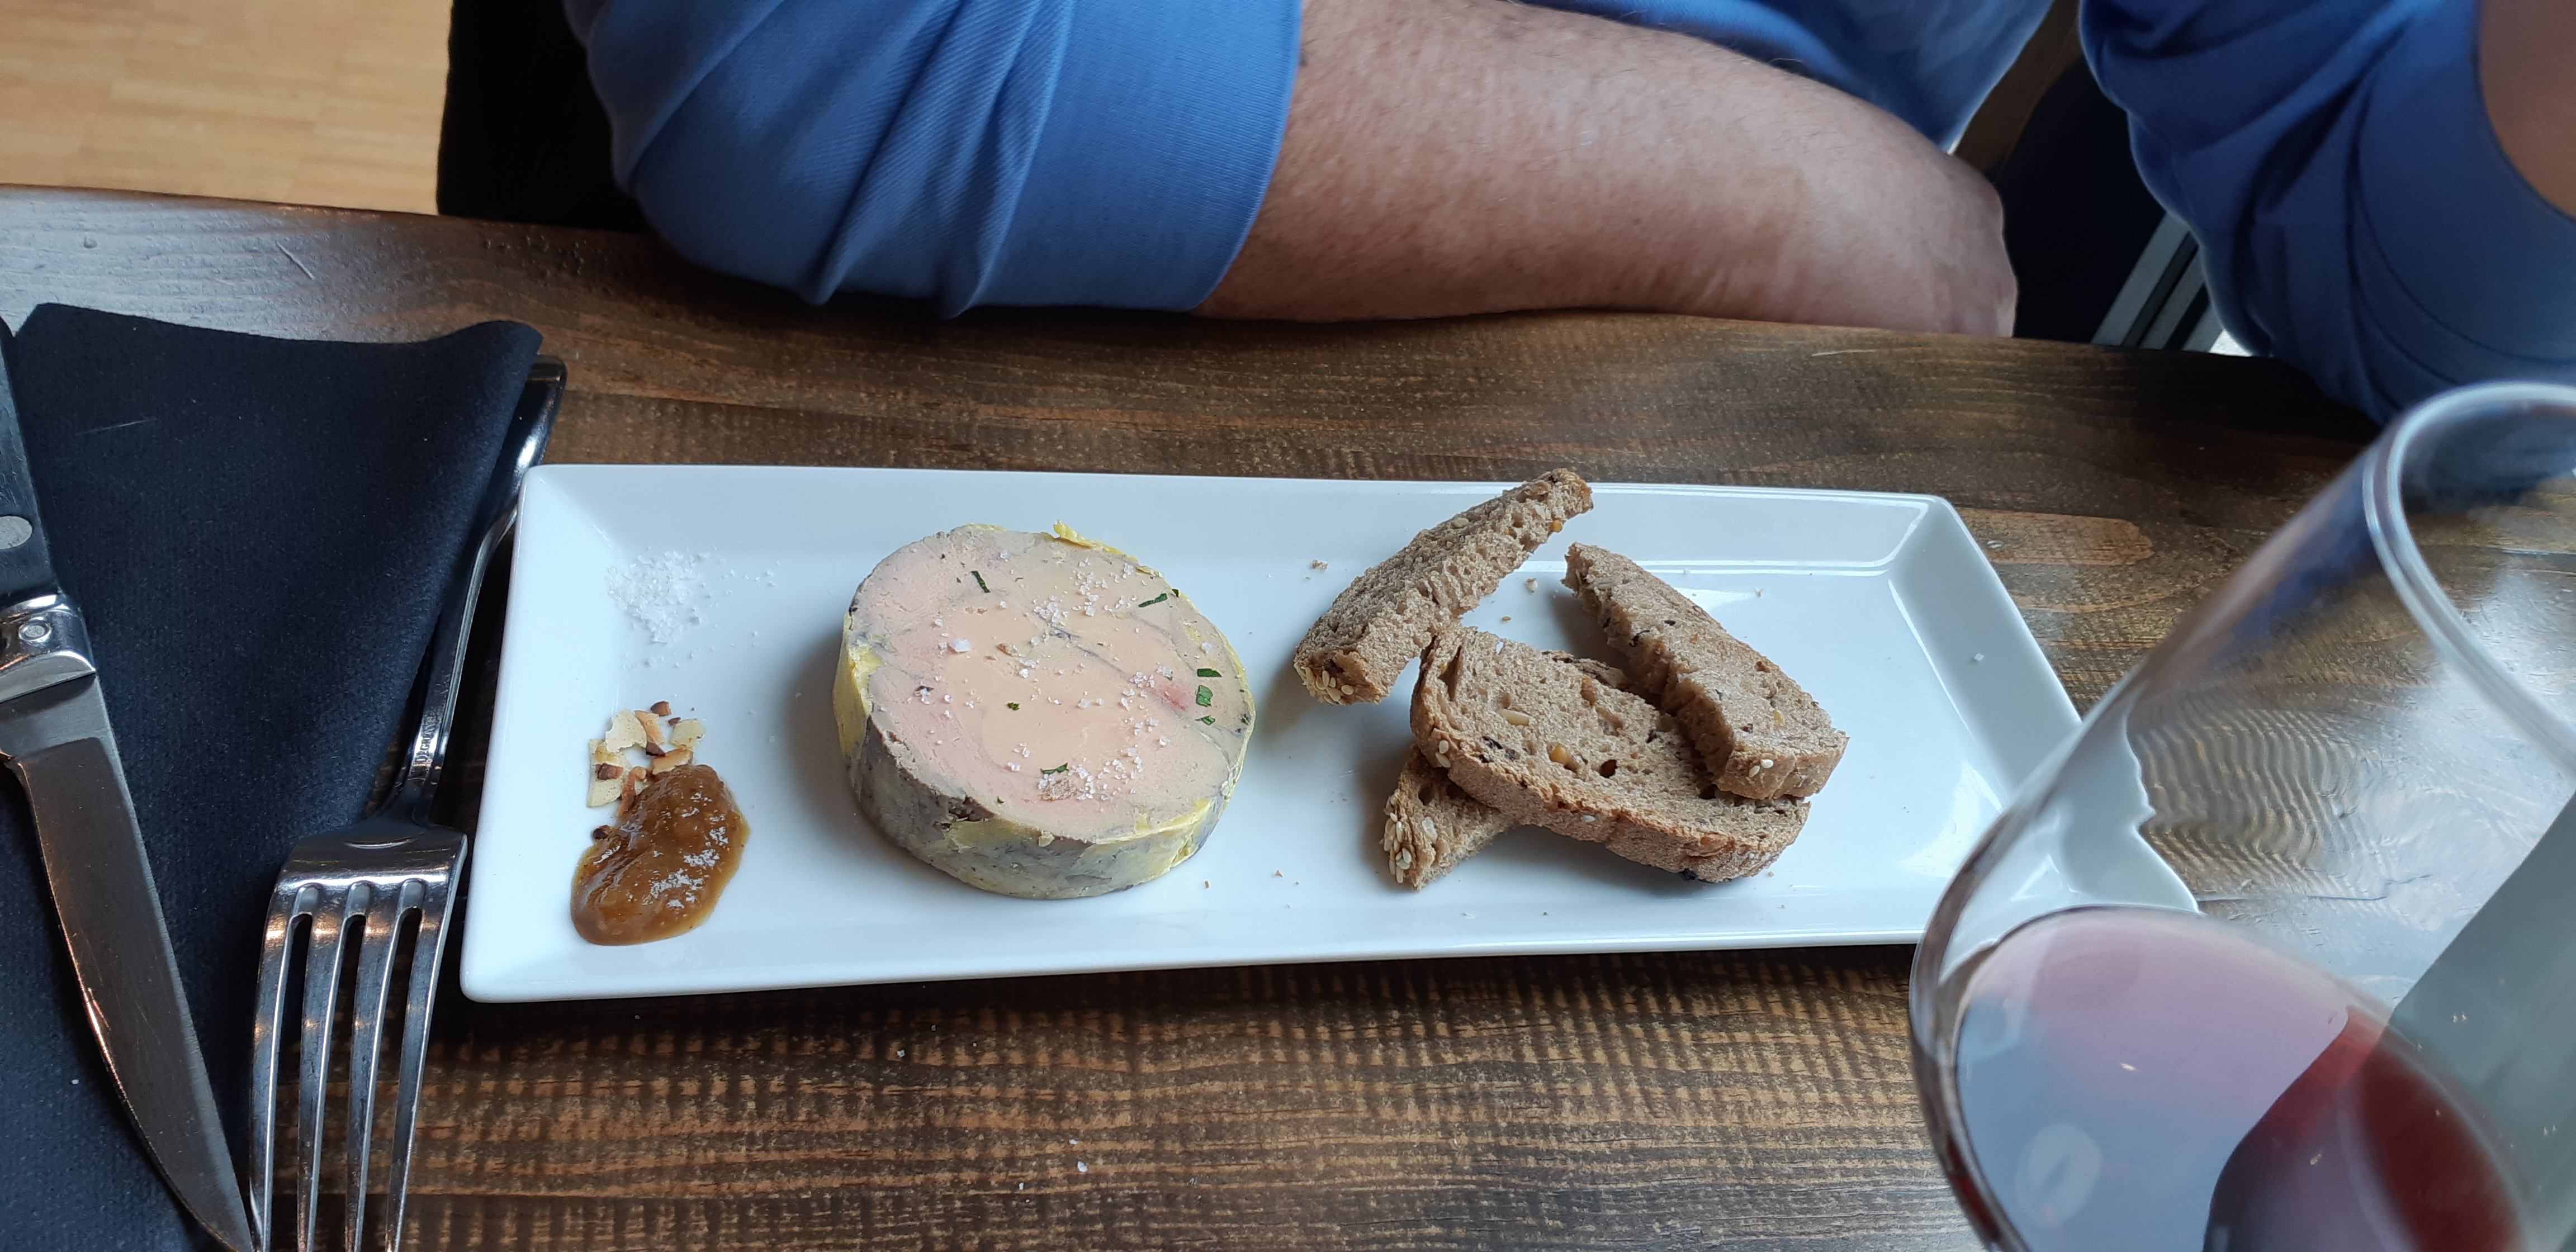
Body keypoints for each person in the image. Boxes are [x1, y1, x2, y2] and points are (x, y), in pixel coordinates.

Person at [564, 0, 2574, 421]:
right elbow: (798, 64)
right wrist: (1779, 197)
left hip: (1717, 469)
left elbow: (2415, 323)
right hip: (810, 353)